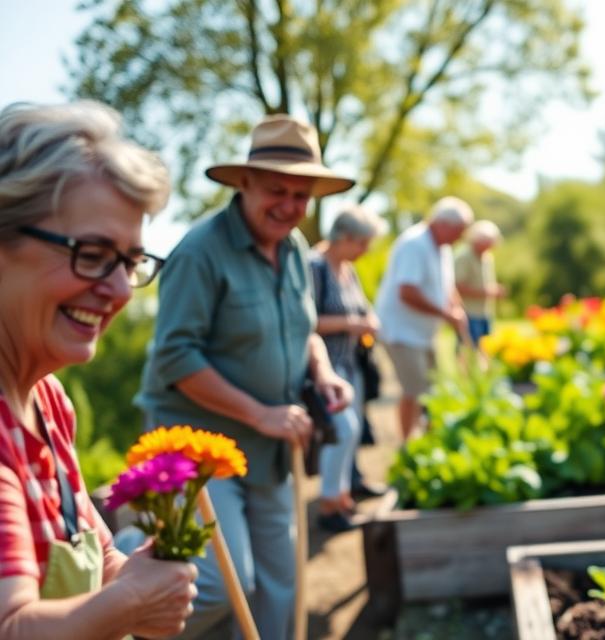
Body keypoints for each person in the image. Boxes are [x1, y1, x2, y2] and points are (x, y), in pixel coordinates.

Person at [136, 114, 354, 639]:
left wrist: (323, 372)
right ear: (244, 183)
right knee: (219, 585)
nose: (289, 205)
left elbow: (302, 330)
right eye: (277, 190)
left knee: (282, 585)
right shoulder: (199, 252)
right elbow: (175, 357)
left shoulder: (296, 250)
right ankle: (124, 571)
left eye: (302, 196)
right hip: (198, 449)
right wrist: (261, 412)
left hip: (273, 445)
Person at [0, 101, 197, 638]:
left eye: (131, 262)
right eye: (91, 253)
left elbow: (98, 550)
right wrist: (130, 603)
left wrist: (139, 580)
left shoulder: (49, 400)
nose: (116, 290)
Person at [310, 203, 386, 533]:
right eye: (363, 243)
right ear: (345, 237)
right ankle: (328, 505)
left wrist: (367, 322)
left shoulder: (347, 269)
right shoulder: (315, 265)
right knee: (342, 430)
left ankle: (341, 497)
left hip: (350, 363)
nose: (366, 250)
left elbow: (362, 308)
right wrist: (353, 324)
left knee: (351, 433)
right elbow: (306, 321)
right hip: (324, 367)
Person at [376, 197, 473, 440]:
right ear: (443, 224)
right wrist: (445, 314)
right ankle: (407, 446)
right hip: (402, 331)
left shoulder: (444, 248)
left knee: (432, 389)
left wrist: (455, 308)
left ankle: (431, 441)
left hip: (424, 333)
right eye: (458, 231)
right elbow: (407, 291)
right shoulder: (414, 244)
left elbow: (446, 286)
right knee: (414, 390)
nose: (460, 237)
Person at [454, 220, 506, 345]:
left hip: (485, 312)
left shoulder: (487, 257)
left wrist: (494, 290)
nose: (489, 247)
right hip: (468, 312)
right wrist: (487, 292)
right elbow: (457, 287)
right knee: (468, 349)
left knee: (485, 349)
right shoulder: (463, 257)